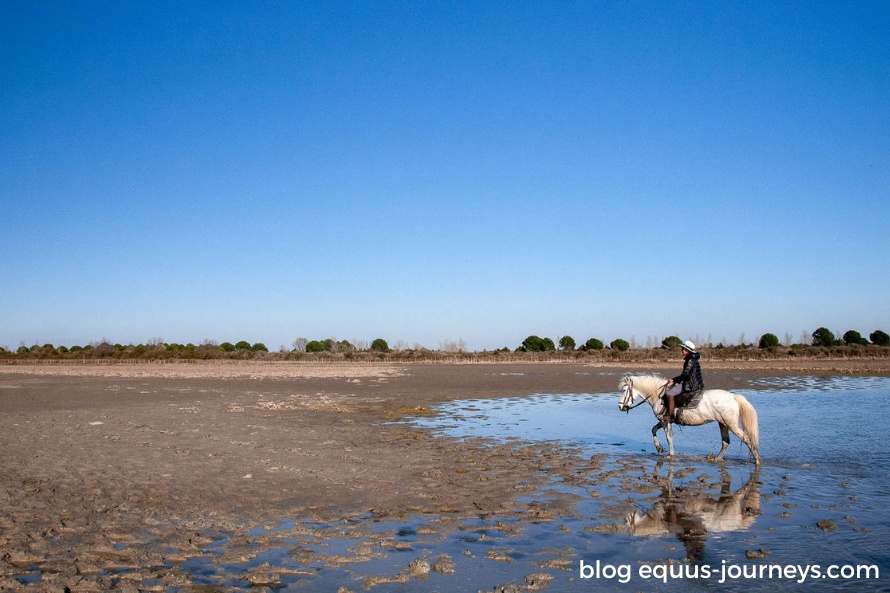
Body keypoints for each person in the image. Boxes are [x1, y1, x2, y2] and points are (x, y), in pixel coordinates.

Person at [663, 340, 704, 424]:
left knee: (669, 393)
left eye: (684, 349)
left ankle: (670, 416)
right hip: (697, 384)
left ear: (687, 350)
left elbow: (685, 374)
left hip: (691, 385)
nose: (682, 350)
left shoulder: (689, 360)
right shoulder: (694, 359)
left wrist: (674, 380)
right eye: (682, 348)